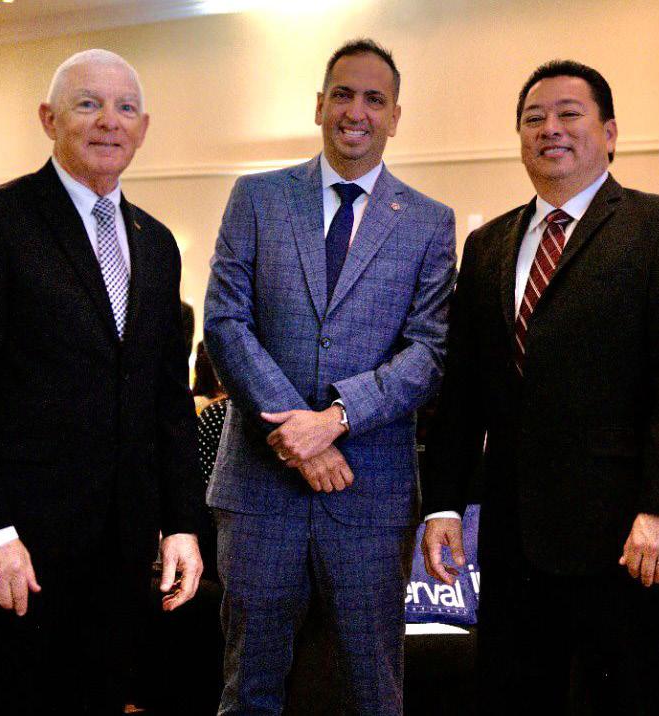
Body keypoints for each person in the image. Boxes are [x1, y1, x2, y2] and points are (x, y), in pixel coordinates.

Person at [421, 60, 659, 711]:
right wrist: (443, 503)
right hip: (512, 538)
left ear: (609, 133)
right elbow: (464, 389)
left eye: (568, 114)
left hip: (625, 537)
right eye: (534, 118)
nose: (549, 129)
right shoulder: (488, 245)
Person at [0, 48, 203, 715]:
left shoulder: (157, 243)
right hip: (16, 552)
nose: (109, 121)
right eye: (88, 104)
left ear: (144, 128)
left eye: (126, 108)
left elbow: (168, 402)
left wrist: (181, 524)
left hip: (120, 558)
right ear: (49, 118)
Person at [204, 38, 455, 714]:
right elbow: (225, 323)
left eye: (375, 99)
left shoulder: (429, 222)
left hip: (370, 495)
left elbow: (429, 353)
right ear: (319, 105)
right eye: (343, 94)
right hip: (260, 489)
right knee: (248, 690)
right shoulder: (256, 197)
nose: (356, 111)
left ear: (395, 115)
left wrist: (335, 420)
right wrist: (300, 436)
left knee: (372, 692)